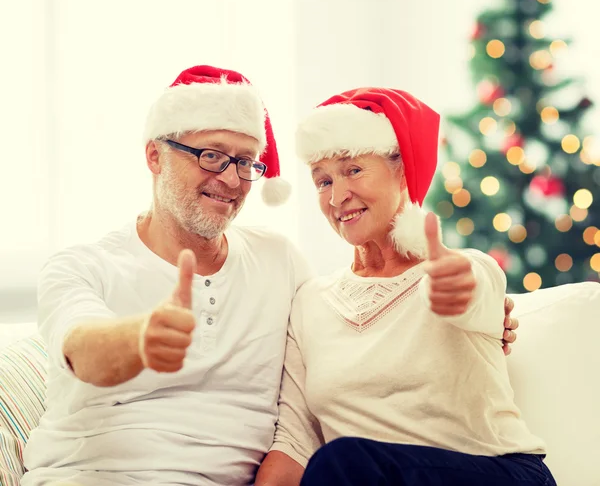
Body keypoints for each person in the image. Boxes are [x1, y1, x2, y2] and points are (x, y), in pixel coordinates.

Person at [22, 68, 518, 486]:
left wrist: (480, 303)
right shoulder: (81, 266)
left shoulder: (279, 264)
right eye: (211, 155)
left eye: (244, 162)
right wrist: (139, 339)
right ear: (155, 156)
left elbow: (472, 289)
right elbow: (80, 346)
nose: (232, 179)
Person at [256, 87, 555, 486]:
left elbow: (471, 292)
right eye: (322, 181)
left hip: (496, 473)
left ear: (402, 170)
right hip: (360, 475)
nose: (337, 196)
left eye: (353, 170)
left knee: (346, 460)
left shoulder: (465, 267)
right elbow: (295, 442)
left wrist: (454, 286)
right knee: (342, 463)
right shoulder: (310, 302)